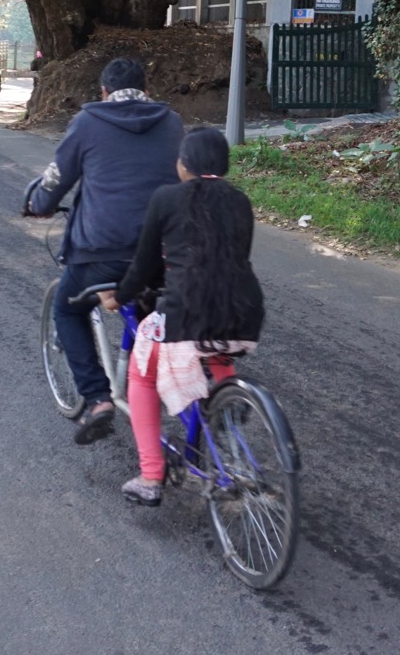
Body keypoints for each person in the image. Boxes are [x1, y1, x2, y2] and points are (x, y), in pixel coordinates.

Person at [98, 127, 265, 506]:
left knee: (143, 370)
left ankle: (151, 474)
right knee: (214, 348)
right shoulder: (240, 201)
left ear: (183, 165)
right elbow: (231, 260)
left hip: (188, 315)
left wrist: (118, 297)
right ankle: (229, 401)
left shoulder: (166, 198)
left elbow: (143, 268)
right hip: (244, 314)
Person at [24, 57, 183, 445]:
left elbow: (57, 177)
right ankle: (164, 384)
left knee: (67, 308)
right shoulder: (172, 123)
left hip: (103, 252)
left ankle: (97, 399)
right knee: (151, 310)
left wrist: (40, 203)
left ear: (103, 92)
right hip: (164, 251)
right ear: (146, 90)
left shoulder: (87, 123)